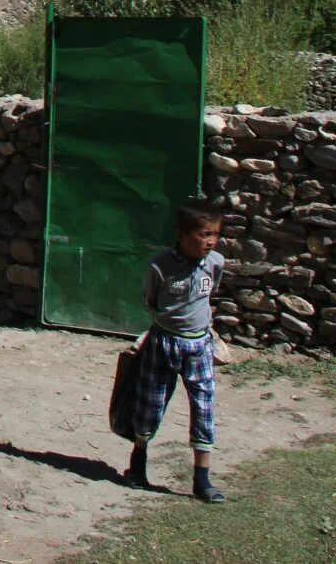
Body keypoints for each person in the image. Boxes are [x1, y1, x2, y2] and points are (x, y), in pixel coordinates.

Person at [124, 198, 227, 503]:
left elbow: (210, 294)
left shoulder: (215, 263)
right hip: (164, 342)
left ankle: (202, 480)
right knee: (150, 405)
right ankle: (138, 464)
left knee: (204, 407)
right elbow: (150, 300)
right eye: (203, 235)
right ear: (181, 234)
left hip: (200, 346)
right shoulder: (159, 266)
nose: (210, 242)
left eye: (215, 235)